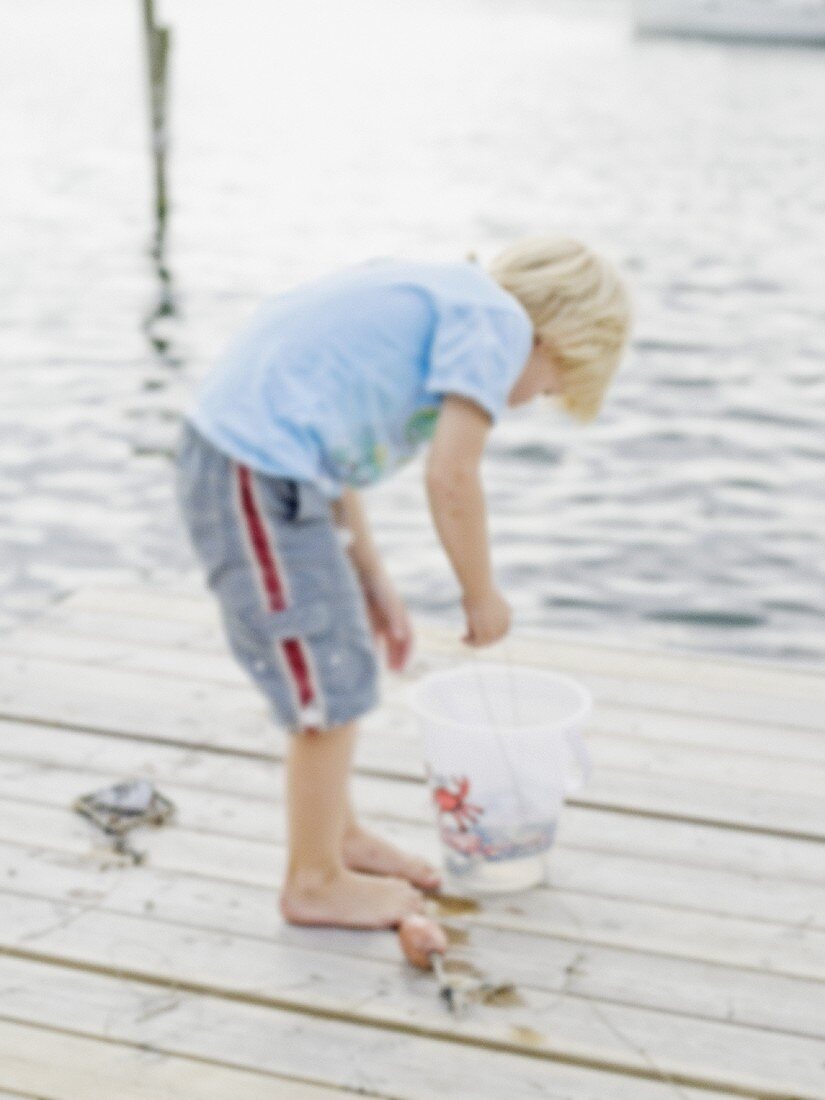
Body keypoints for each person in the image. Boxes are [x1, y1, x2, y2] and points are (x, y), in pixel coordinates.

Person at [174, 236, 632, 929]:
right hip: (251, 471)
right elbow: (451, 476)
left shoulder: (451, 307)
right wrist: (481, 593)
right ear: (552, 338)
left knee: (342, 655)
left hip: (272, 468)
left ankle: (338, 840)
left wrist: (373, 579)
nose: (530, 401)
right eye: (547, 386)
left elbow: (336, 459)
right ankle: (313, 880)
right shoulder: (499, 326)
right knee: (328, 678)